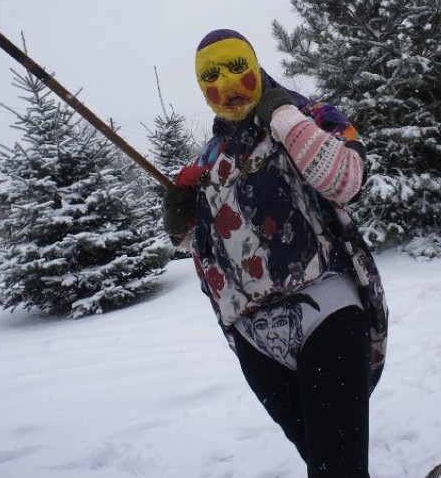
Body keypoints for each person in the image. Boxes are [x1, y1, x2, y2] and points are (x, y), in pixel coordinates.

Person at [162, 29, 388, 477]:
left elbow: (346, 180)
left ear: (256, 65)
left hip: (325, 310)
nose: (225, 83)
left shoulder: (308, 115)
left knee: (337, 469)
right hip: (254, 337)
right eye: (210, 74)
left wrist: (282, 115)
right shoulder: (210, 157)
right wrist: (183, 223)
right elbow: (221, 247)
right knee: (321, 462)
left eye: (235, 66)